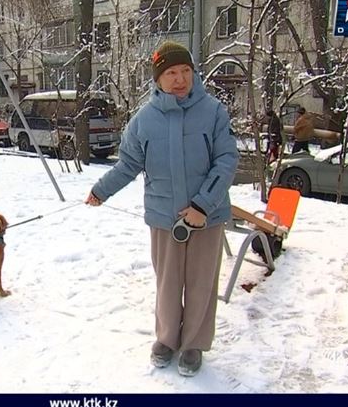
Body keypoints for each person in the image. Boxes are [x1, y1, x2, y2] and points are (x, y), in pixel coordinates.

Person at [84, 41, 238, 377]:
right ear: (158, 78)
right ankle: (167, 339)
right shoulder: (144, 120)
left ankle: (194, 344)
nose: (180, 79)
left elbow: (226, 160)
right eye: (171, 73)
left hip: (206, 218)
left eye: (185, 71)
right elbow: (128, 164)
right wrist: (101, 190)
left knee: (200, 283)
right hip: (164, 218)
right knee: (168, 282)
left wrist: (202, 205)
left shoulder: (212, 111)